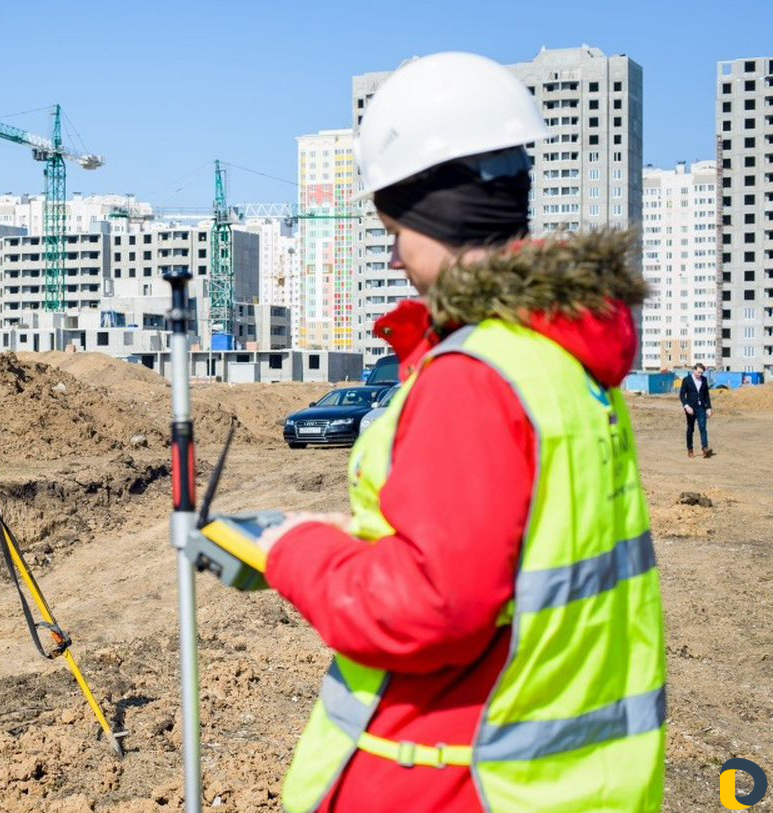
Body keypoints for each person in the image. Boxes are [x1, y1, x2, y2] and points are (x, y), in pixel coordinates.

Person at [255, 52, 665, 813]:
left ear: (437, 213)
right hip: (565, 782)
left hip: (458, 780)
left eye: (397, 230)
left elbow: (432, 606)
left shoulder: (475, 375)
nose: (394, 255)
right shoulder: (560, 360)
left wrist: (297, 550)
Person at [679, 362, 713, 457]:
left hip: (701, 407)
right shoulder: (686, 380)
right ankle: (690, 449)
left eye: (702, 373)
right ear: (694, 370)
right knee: (690, 429)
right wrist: (686, 406)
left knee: (703, 427)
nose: (700, 374)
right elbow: (682, 395)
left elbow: (706, 395)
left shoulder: (704, 380)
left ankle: (705, 448)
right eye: (698, 372)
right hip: (690, 408)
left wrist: (709, 408)